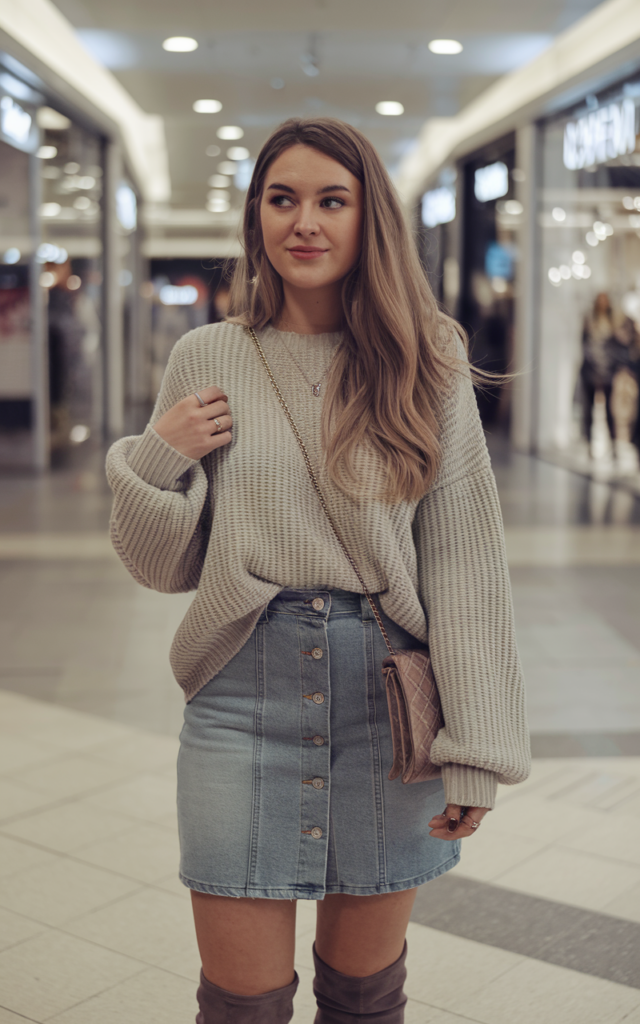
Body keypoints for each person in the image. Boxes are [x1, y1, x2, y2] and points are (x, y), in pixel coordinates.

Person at [106, 117, 530, 1024]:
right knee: (241, 1002)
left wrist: (479, 750)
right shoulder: (209, 356)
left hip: (387, 697)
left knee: (364, 999)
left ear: (366, 216)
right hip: (239, 696)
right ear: (256, 216)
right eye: (282, 198)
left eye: (331, 200)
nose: (305, 221)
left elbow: (464, 558)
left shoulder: (429, 359)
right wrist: (154, 459)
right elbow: (165, 565)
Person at [580, 292, 622, 456]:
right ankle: (590, 444)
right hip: (591, 372)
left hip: (607, 372)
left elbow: (616, 349)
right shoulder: (589, 320)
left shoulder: (613, 322)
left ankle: (613, 444)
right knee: (589, 409)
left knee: (609, 412)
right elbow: (585, 346)